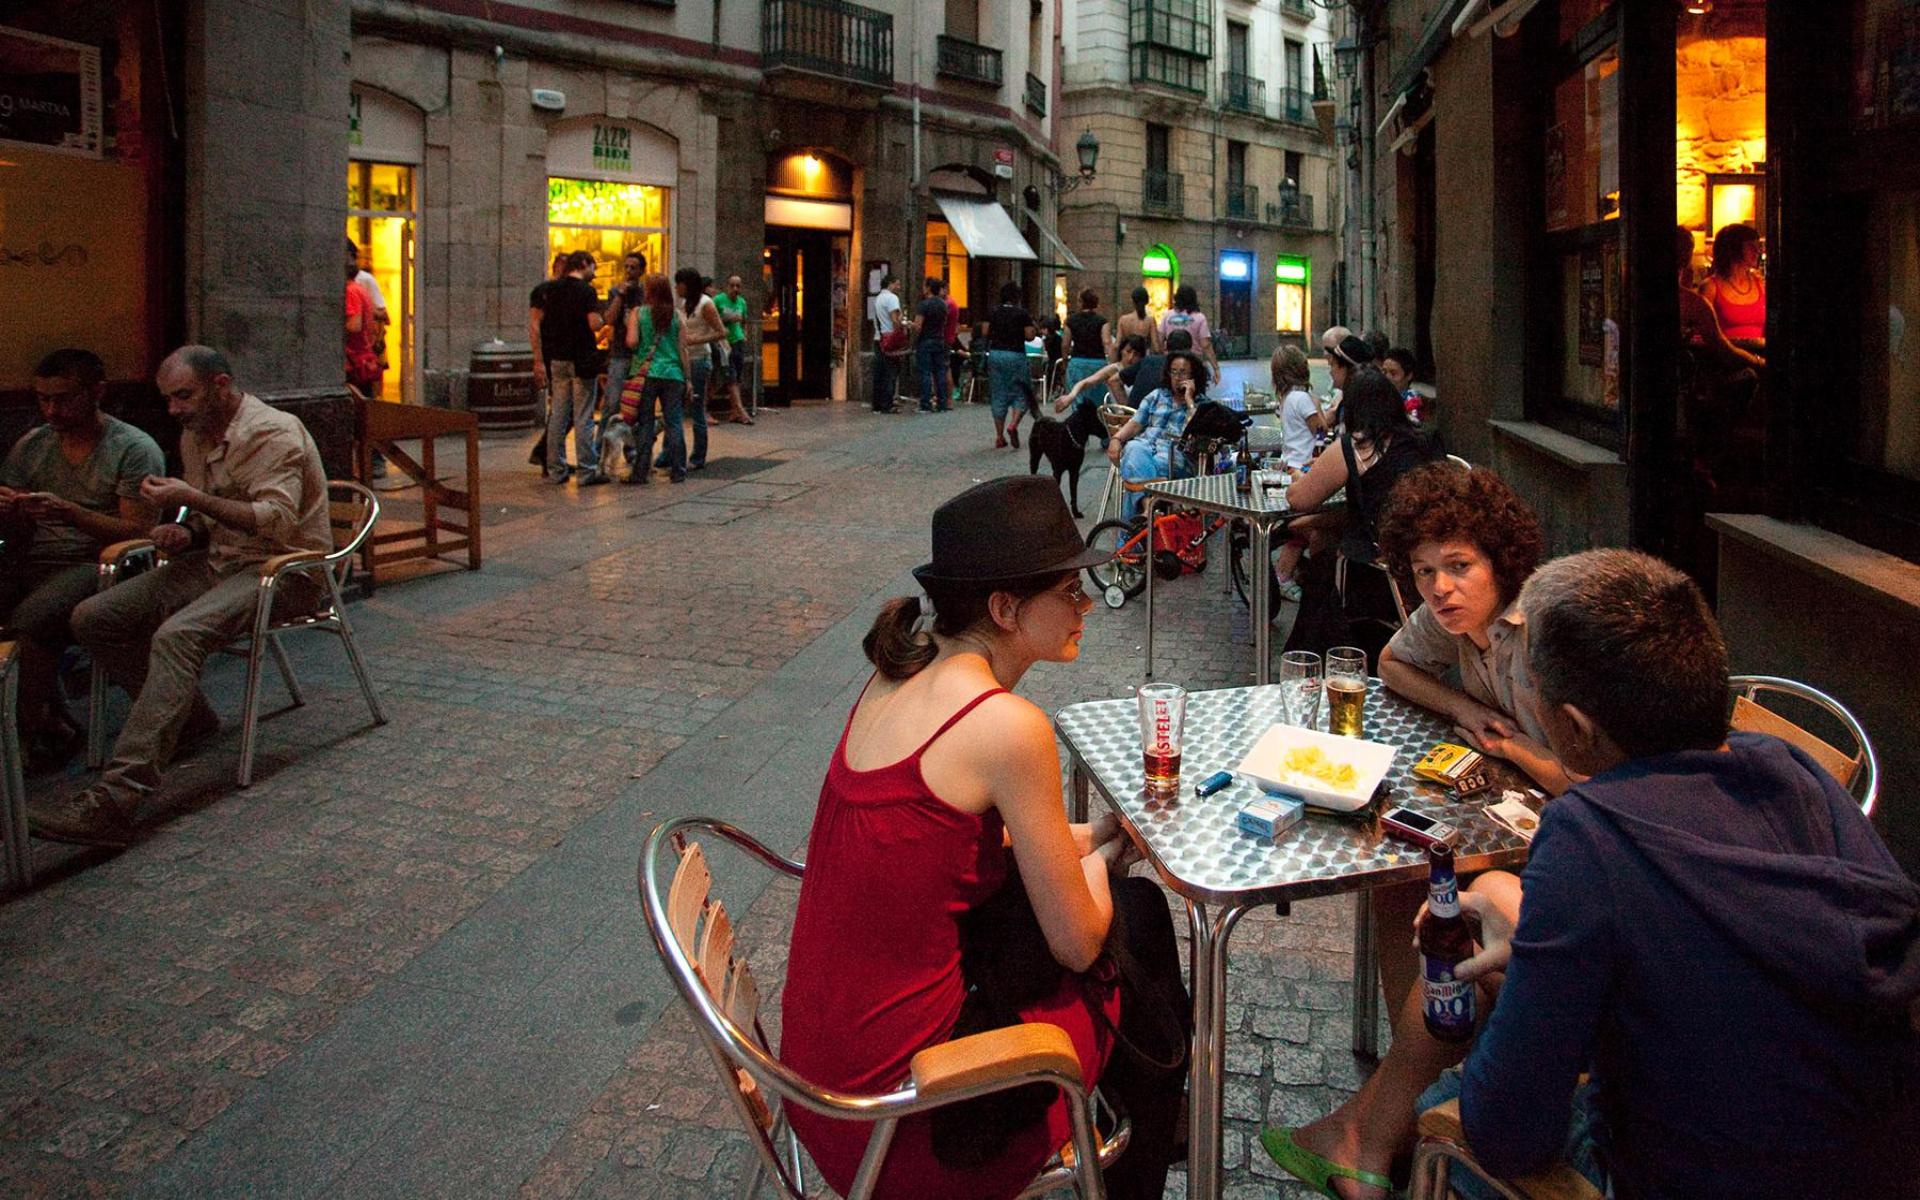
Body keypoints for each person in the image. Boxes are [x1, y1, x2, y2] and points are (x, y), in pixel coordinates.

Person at [1264, 549, 1920, 1200]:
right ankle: (1355, 1142)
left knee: (1447, 1093)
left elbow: (1507, 1131)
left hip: (1696, 1172)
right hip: (1878, 1157)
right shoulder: (1794, 770)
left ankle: (1362, 1143)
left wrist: (1525, 942)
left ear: (1573, 729)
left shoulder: (1589, 836)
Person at [782, 475, 1187, 1200]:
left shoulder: (898, 673)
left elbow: (954, 851)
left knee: (1138, 919)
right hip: (910, 1121)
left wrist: (1098, 834)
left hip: (819, 1085)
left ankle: (1159, 1100)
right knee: (1136, 921)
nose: (1086, 605)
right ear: (1005, 608)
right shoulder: (1007, 728)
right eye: (1068, 590)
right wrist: (1104, 866)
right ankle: (1153, 1126)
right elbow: (1077, 942)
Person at [29, 347, 331, 847]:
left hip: (284, 571)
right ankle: (186, 718)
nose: (174, 410)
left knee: (177, 636)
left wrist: (189, 501)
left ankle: (117, 800)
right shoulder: (196, 434)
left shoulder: (272, 433)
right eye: (167, 399)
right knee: (94, 616)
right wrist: (185, 533)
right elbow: (212, 521)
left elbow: (276, 521)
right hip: (223, 562)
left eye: (183, 396)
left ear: (220, 385)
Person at [0, 349, 164, 771]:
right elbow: (18, 538)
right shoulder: (32, 447)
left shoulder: (131, 448)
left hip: (102, 565)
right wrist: (13, 514)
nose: (52, 410)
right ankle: (48, 722)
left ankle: (19, 737)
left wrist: (71, 513)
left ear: (97, 393)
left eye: (64, 399)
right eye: (42, 400)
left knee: (37, 619)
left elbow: (141, 533)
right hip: (36, 559)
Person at [1283, 365, 1443, 660]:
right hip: (1429, 552)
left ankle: (1310, 655)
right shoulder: (1425, 440)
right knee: (1317, 531)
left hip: (1379, 566)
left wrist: (1295, 477)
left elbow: (1300, 498)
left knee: (1319, 566)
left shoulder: (1357, 447)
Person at [529, 250, 605, 485]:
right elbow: (594, 323)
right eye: (593, 266)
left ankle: (556, 469)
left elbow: (536, 325)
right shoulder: (586, 291)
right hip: (581, 357)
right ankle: (586, 470)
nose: (595, 272)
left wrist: (539, 359)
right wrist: (603, 320)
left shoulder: (549, 290)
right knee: (583, 415)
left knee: (558, 414)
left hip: (557, 358)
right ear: (583, 264)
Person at [1107, 349, 1206, 522]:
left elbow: (1196, 431)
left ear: (1193, 376)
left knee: (1135, 470)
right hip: (1145, 448)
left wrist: (1189, 400)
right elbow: (1135, 422)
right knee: (1133, 448)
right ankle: (1149, 508)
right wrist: (1117, 439)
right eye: (1173, 372)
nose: (1177, 377)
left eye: (1182, 372)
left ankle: (1132, 539)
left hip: (1174, 456)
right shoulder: (1157, 395)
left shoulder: (1202, 404)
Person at [625, 273, 690, 484]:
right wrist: (687, 379)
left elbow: (632, 342)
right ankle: (679, 469)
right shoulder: (678, 315)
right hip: (673, 374)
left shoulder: (638, 313)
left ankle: (640, 471)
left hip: (647, 374)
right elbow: (683, 349)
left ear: (649, 292)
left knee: (645, 423)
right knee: (674, 422)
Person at [589, 251, 648, 476]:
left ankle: (632, 452)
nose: (629, 272)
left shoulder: (644, 294)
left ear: (641, 270)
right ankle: (597, 454)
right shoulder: (617, 291)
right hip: (619, 354)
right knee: (611, 404)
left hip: (638, 356)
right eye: (627, 267)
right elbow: (609, 320)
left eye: (634, 267)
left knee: (636, 406)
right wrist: (620, 296)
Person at [667, 268, 728, 472]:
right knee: (677, 408)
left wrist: (695, 340)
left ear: (688, 284)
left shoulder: (705, 304)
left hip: (700, 359)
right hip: (684, 359)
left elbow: (721, 332)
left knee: (697, 409)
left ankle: (698, 456)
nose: (676, 287)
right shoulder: (685, 304)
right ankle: (671, 452)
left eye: (679, 283)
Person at [979, 283, 1036, 450]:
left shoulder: (993, 312)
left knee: (998, 393)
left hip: (996, 354)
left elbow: (984, 332)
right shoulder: (1022, 313)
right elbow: (1030, 336)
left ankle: (999, 436)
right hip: (1016, 355)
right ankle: (1013, 425)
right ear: (1017, 297)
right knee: (1021, 392)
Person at [1699, 222, 1766, 354]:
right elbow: (1704, 336)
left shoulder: (1761, 285)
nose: (1757, 251)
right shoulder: (1711, 287)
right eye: (1751, 246)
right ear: (1734, 249)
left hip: (1761, 354)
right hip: (1727, 359)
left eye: (1758, 246)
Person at [713, 273, 754, 425]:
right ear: (727, 286)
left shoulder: (742, 302)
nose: (735, 289)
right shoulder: (718, 300)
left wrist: (744, 334)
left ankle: (734, 411)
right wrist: (728, 320)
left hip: (737, 341)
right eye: (732, 285)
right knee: (731, 376)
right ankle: (741, 411)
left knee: (736, 376)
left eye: (738, 286)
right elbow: (712, 318)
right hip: (724, 343)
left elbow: (744, 320)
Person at [1158, 284, 1217, 380]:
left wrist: (1163, 356)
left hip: (1172, 362)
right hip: (1194, 362)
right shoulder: (1199, 317)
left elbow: (1159, 340)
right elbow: (1206, 345)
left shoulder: (1167, 315)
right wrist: (1216, 368)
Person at [912, 277, 952, 414]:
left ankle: (925, 403)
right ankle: (942, 403)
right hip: (939, 340)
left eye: (924, 286)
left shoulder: (924, 305)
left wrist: (911, 325)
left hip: (926, 341)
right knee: (940, 371)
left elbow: (918, 326)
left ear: (928, 288)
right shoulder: (943, 304)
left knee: (925, 372)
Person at [1063, 290, 1112, 397]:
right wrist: (1112, 363)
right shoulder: (1103, 321)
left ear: (1081, 302)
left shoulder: (1070, 321)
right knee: (1097, 397)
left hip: (1077, 362)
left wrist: (1065, 360)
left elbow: (1065, 344)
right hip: (1098, 362)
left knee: (1077, 396)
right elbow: (1107, 342)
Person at [872, 274, 903, 414]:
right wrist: (900, 332)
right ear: (890, 284)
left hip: (878, 338)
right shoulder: (892, 298)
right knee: (890, 373)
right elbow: (895, 320)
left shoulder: (878, 298)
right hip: (889, 338)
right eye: (897, 284)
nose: (899, 287)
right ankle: (887, 404)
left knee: (879, 372)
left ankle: (877, 404)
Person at [1379, 348, 1427, 424]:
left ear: (1409, 375)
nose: (1387, 377)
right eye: (1384, 372)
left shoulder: (1413, 402)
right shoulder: (1381, 395)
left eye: (1393, 373)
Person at [1115, 286, 1161, 355]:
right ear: (1147, 301)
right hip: (1142, 356)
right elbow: (1155, 346)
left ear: (1132, 301)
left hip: (1127, 357)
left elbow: (1117, 344)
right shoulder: (1150, 320)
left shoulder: (1123, 320)